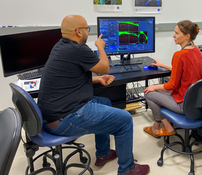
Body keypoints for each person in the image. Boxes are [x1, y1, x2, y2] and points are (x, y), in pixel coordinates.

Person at [38, 15, 150, 175]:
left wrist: (97, 79)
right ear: (78, 31)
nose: (88, 33)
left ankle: (103, 154)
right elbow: (104, 67)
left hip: (54, 114)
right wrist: (100, 47)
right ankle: (128, 169)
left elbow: (71, 78)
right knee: (125, 120)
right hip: (64, 118)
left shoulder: (60, 46)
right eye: (87, 29)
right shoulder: (78, 49)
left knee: (104, 101)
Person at [143, 20, 202, 138]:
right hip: (195, 102)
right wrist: (162, 65)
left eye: (177, 33)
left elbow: (172, 85)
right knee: (157, 92)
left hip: (183, 104)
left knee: (148, 93)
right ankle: (156, 127)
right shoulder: (196, 50)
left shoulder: (178, 55)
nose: (173, 36)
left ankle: (168, 127)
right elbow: (182, 70)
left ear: (187, 36)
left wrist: (153, 87)